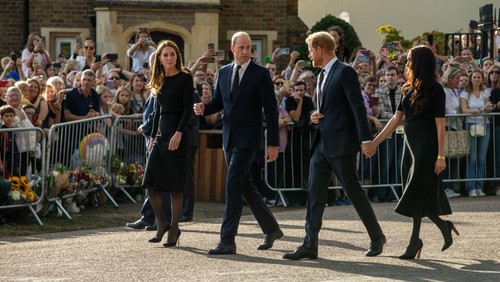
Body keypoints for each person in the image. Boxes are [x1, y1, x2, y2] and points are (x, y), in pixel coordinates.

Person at [283, 31, 385, 260]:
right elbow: (328, 108)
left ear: (320, 49)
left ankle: (377, 237)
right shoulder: (320, 76)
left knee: (353, 191)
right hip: (322, 143)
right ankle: (310, 243)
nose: (309, 54)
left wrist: (365, 139)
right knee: (315, 193)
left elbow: (357, 107)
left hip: (342, 144)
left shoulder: (345, 71)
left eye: (310, 50)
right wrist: (315, 116)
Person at [194, 31, 283, 255]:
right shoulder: (223, 72)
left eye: (249, 48)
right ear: (233, 49)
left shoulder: (260, 74)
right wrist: (205, 107)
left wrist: (272, 144)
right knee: (245, 185)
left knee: (233, 185)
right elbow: (218, 102)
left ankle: (227, 240)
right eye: (241, 48)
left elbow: (271, 111)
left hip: (249, 140)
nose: (246, 52)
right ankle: (271, 229)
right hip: (229, 138)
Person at [370, 45, 458, 259]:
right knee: (415, 193)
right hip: (410, 148)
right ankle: (441, 227)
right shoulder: (408, 88)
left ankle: (415, 242)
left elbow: (440, 126)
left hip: (427, 148)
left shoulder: (436, 90)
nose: (406, 63)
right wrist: (375, 142)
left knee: (416, 193)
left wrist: (441, 156)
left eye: (409, 59)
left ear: (419, 63)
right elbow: (395, 120)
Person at [141, 40, 194, 247]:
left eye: (172, 54)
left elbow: (188, 109)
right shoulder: (159, 79)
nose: (169, 57)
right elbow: (157, 112)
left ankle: (174, 229)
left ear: (176, 57)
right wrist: (153, 136)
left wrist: (179, 132)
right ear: (160, 59)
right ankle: (162, 223)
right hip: (162, 135)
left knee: (175, 187)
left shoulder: (185, 78)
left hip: (178, 134)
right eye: (165, 55)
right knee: (151, 183)